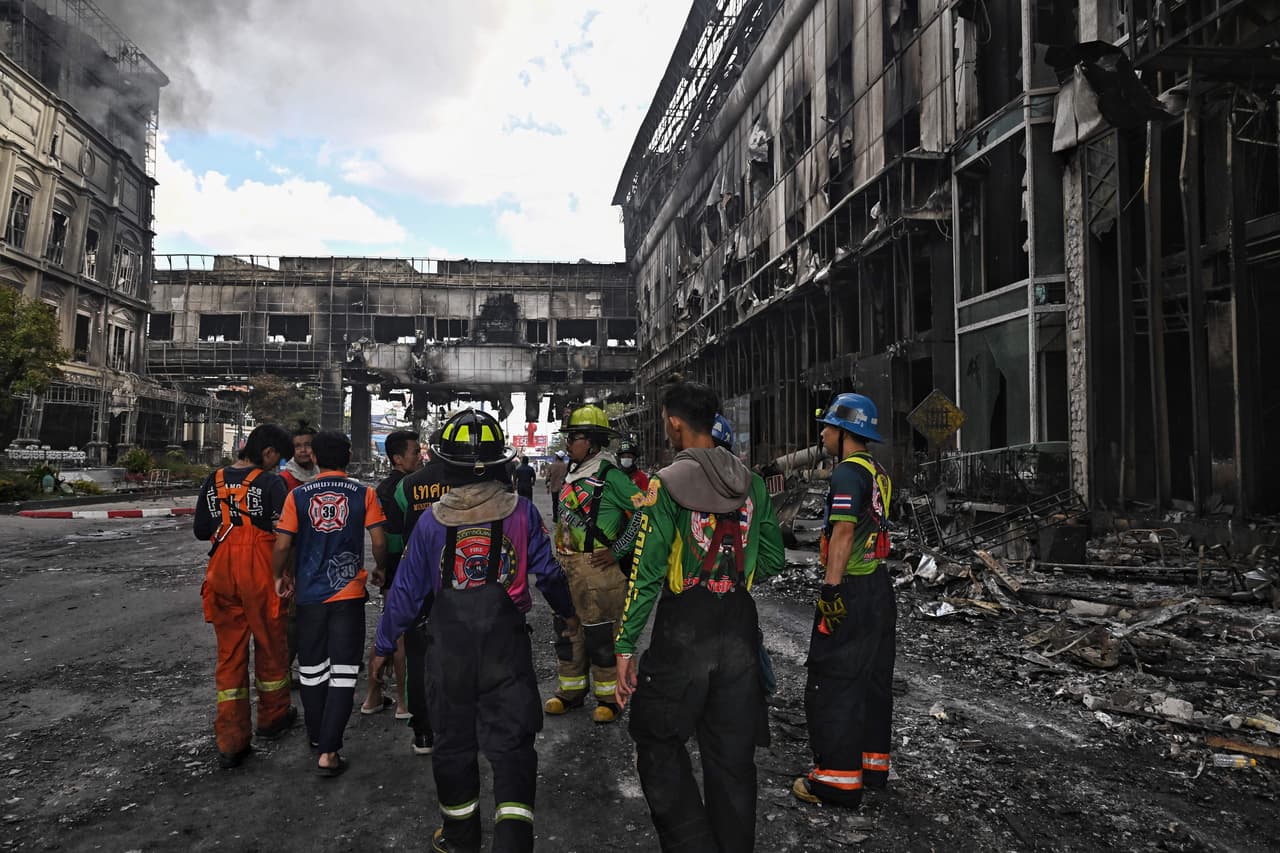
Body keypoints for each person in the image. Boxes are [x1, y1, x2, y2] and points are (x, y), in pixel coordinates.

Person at [374, 409, 577, 853]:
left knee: (453, 745)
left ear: (445, 465)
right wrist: (568, 615)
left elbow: (406, 593)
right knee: (513, 747)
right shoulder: (522, 512)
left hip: (448, 650)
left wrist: (384, 645)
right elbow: (550, 574)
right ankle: (513, 841)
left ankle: (461, 839)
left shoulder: (430, 524)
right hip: (506, 649)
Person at [614, 381, 786, 852]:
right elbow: (772, 557)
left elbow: (646, 573)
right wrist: (738, 573)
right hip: (738, 628)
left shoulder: (665, 484)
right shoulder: (751, 483)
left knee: (657, 740)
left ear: (673, 420)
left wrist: (626, 645)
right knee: (732, 759)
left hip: (683, 632)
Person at [792, 393, 895, 808]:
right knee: (873, 680)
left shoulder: (848, 474)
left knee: (834, 678)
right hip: (879, 589)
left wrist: (831, 590)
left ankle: (836, 780)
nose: (822, 433)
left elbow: (844, 533)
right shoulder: (878, 471)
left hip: (851, 587)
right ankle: (872, 767)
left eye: (829, 427)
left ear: (846, 432)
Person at [271, 430, 388, 777]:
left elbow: (281, 545)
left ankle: (315, 736)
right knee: (343, 672)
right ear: (348, 457)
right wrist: (380, 567)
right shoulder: (364, 494)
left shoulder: (298, 496)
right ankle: (330, 750)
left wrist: (279, 576)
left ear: (316, 458)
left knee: (311, 670)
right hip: (348, 596)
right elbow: (378, 540)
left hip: (309, 597)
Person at [193, 423, 297, 769]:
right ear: (268, 452)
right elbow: (284, 534)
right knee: (270, 648)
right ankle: (272, 718)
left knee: (230, 655)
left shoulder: (213, 480)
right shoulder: (271, 483)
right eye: (278, 458)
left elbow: (200, 531)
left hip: (221, 573)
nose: (278, 465)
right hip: (261, 572)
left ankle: (232, 740)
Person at [544, 404, 642, 724]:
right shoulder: (574, 473)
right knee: (567, 630)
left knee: (602, 635)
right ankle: (570, 691)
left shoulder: (610, 475)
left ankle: (609, 698)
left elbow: (646, 510)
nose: (568, 443)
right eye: (569, 437)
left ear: (593, 443)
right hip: (568, 567)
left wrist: (619, 549)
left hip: (599, 570)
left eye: (575, 437)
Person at [387, 427, 452, 755]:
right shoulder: (469, 482)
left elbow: (396, 538)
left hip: (417, 582)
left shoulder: (406, 485)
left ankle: (423, 731)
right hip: (460, 582)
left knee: (417, 655)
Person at [361, 430, 420, 718]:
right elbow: (390, 538)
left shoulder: (381, 489)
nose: (419, 456)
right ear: (398, 458)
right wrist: (387, 567)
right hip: (402, 568)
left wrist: (382, 566)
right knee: (401, 638)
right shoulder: (404, 487)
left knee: (387, 630)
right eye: (414, 452)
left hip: (392, 567)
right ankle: (403, 702)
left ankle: (373, 697)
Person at [279, 421, 318, 490]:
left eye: (308, 445)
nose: (303, 450)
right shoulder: (283, 480)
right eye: (297, 446)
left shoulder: (324, 475)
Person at [543, 451, 568, 523]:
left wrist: (547, 487)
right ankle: (563, 518)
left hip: (554, 488)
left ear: (557, 457)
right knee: (564, 504)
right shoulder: (566, 466)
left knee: (555, 503)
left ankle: (555, 518)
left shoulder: (551, 466)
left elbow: (547, 478)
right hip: (564, 489)